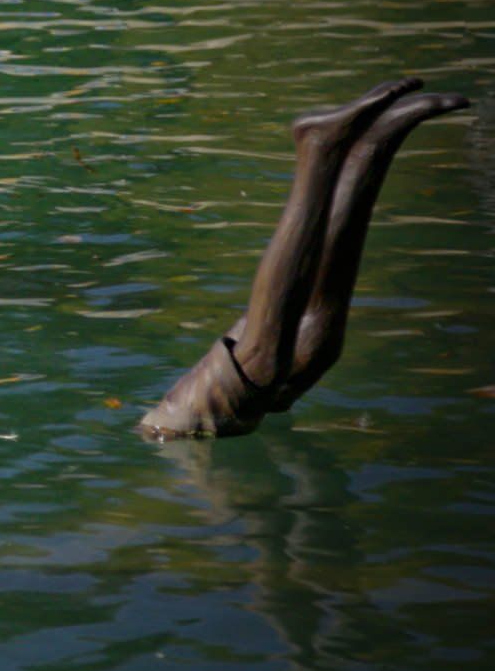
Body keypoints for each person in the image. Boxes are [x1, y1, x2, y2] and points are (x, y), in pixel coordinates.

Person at [140, 79, 469, 438]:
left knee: (261, 361)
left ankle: (317, 148)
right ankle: (370, 149)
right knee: (316, 346)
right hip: (202, 432)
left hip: (174, 431)